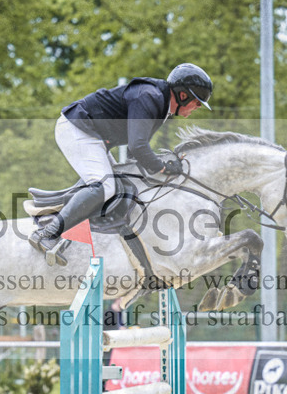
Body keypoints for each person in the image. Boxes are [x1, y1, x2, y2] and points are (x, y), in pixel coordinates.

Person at [29, 63, 214, 257]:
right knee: (105, 187)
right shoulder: (150, 97)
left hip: (92, 135)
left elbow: (137, 153)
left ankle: (72, 228)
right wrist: (163, 168)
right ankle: (47, 234)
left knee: (117, 183)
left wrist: (163, 165)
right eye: (198, 102)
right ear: (183, 95)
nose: (198, 107)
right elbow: (138, 147)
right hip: (77, 128)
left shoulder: (161, 104)